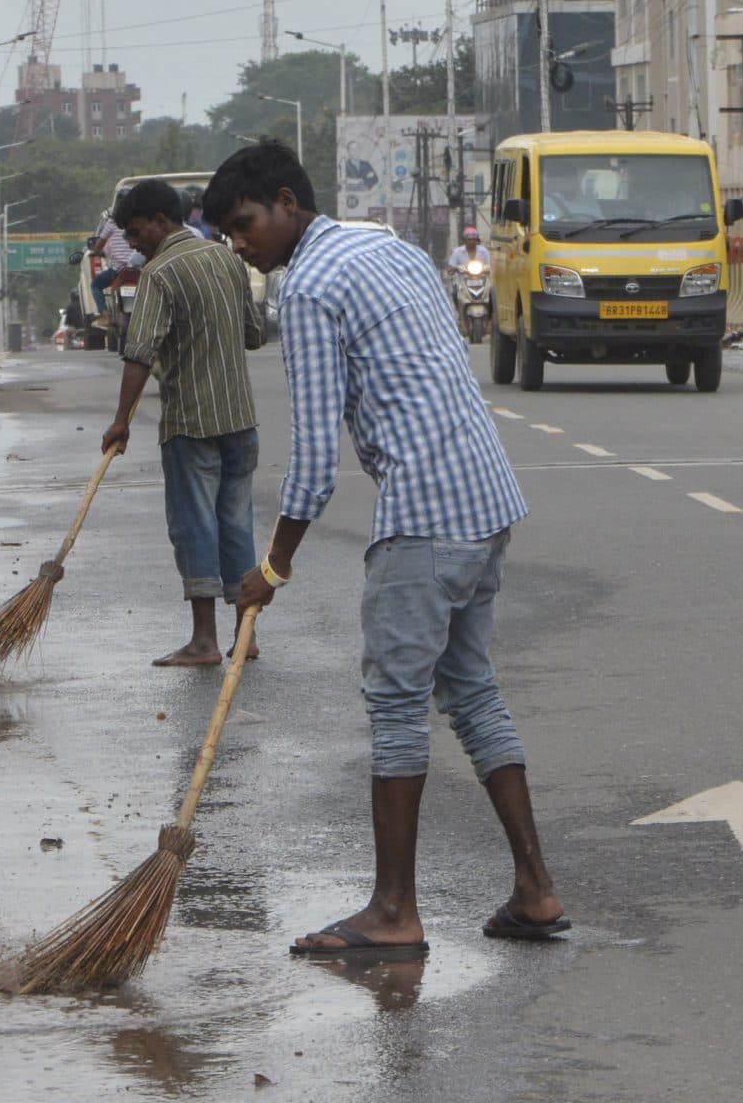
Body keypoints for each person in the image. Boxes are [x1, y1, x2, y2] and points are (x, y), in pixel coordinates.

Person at [207, 138, 567, 960]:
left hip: (426, 512)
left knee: (399, 703)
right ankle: (535, 890)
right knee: (472, 689)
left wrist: (273, 565)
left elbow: (311, 457)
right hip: (484, 495)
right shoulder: (384, 244)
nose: (242, 245)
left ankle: (394, 910)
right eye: (230, 233)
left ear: (288, 205)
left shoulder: (308, 287)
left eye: (246, 225)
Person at [101, 178, 269, 668]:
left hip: (190, 421)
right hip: (240, 418)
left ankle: (203, 641)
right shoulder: (226, 259)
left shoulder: (160, 274)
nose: (133, 244)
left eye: (136, 233)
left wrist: (121, 422)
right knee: (236, 524)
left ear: (160, 221)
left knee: (195, 526)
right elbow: (254, 334)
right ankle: (246, 635)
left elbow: (138, 353)